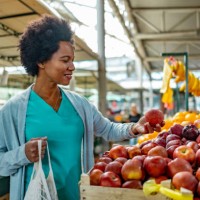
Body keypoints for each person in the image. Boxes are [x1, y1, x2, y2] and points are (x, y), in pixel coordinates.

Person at [0, 15, 164, 200]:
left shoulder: (79, 104)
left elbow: (108, 129)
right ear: (41, 61)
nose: (72, 66)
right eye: (65, 60)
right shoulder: (12, 111)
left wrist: (134, 128)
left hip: (78, 195)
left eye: (72, 60)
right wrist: (22, 154)